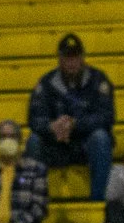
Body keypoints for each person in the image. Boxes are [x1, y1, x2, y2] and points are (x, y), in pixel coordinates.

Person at [28, 33, 117, 199]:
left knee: (101, 138)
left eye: (75, 57)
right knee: (33, 140)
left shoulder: (98, 80)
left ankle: (98, 203)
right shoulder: (46, 83)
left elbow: (107, 116)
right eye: (67, 58)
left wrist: (75, 124)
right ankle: (33, 201)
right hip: (56, 143)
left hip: (84, 144)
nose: (71, 62)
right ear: (59, 59)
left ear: (82, 57)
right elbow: (34, 119)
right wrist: (51, 126)